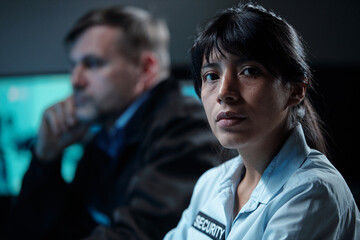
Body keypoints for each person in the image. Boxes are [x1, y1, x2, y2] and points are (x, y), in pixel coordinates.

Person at [8, 5, 234, 240]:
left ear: (146, 68)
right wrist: (46, 158)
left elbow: (135, 235)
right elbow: (42, 230)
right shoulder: (107, 135)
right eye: (73, 65)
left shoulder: (185, 129)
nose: (75, 80)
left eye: (92, 64)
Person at [165, 3, 360, 239]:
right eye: (211, 76)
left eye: (249, 71)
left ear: (296, 90)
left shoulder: (312, 191)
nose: (224, 92)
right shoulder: (211, 183)